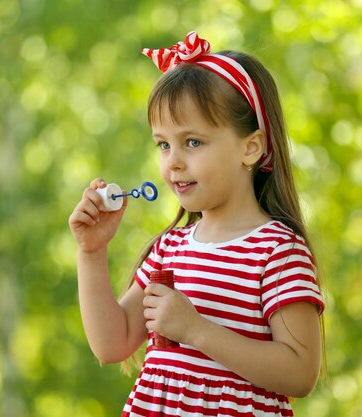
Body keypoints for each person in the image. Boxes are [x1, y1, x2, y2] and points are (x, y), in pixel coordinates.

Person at [69, 31, 325, 417]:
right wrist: (91, 252)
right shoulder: (170, 249)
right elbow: (112, 344)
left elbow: (300, 373)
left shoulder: (277, 251)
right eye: (163, 144)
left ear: (250, 147)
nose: (172, 161)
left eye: (192, 142)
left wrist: (196, 330)